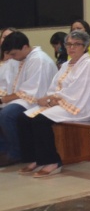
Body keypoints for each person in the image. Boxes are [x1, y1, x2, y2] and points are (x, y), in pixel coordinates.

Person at [16, 29, 90, 177]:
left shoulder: (89, 65)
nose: (71, 48)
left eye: (76, 44)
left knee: (39, 121)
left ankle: (52, 162)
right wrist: (48, 97)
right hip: (62, 103)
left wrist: (53, 99)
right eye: (68, 44)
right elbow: (54, 86)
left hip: (78, 106)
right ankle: (37, 159)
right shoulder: (66, 64)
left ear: (85, 46)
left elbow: (79, 91)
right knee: (22, 118)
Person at [0, 32, 58, 166]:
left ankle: (17, 153)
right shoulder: (22, 59)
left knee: (7, 115)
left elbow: (31, 92)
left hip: (37, 100)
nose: (12, 58)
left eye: (14, 54)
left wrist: (3, 100)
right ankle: (4, 150)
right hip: (22, 98)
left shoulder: (39, 60)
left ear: (25, 47)